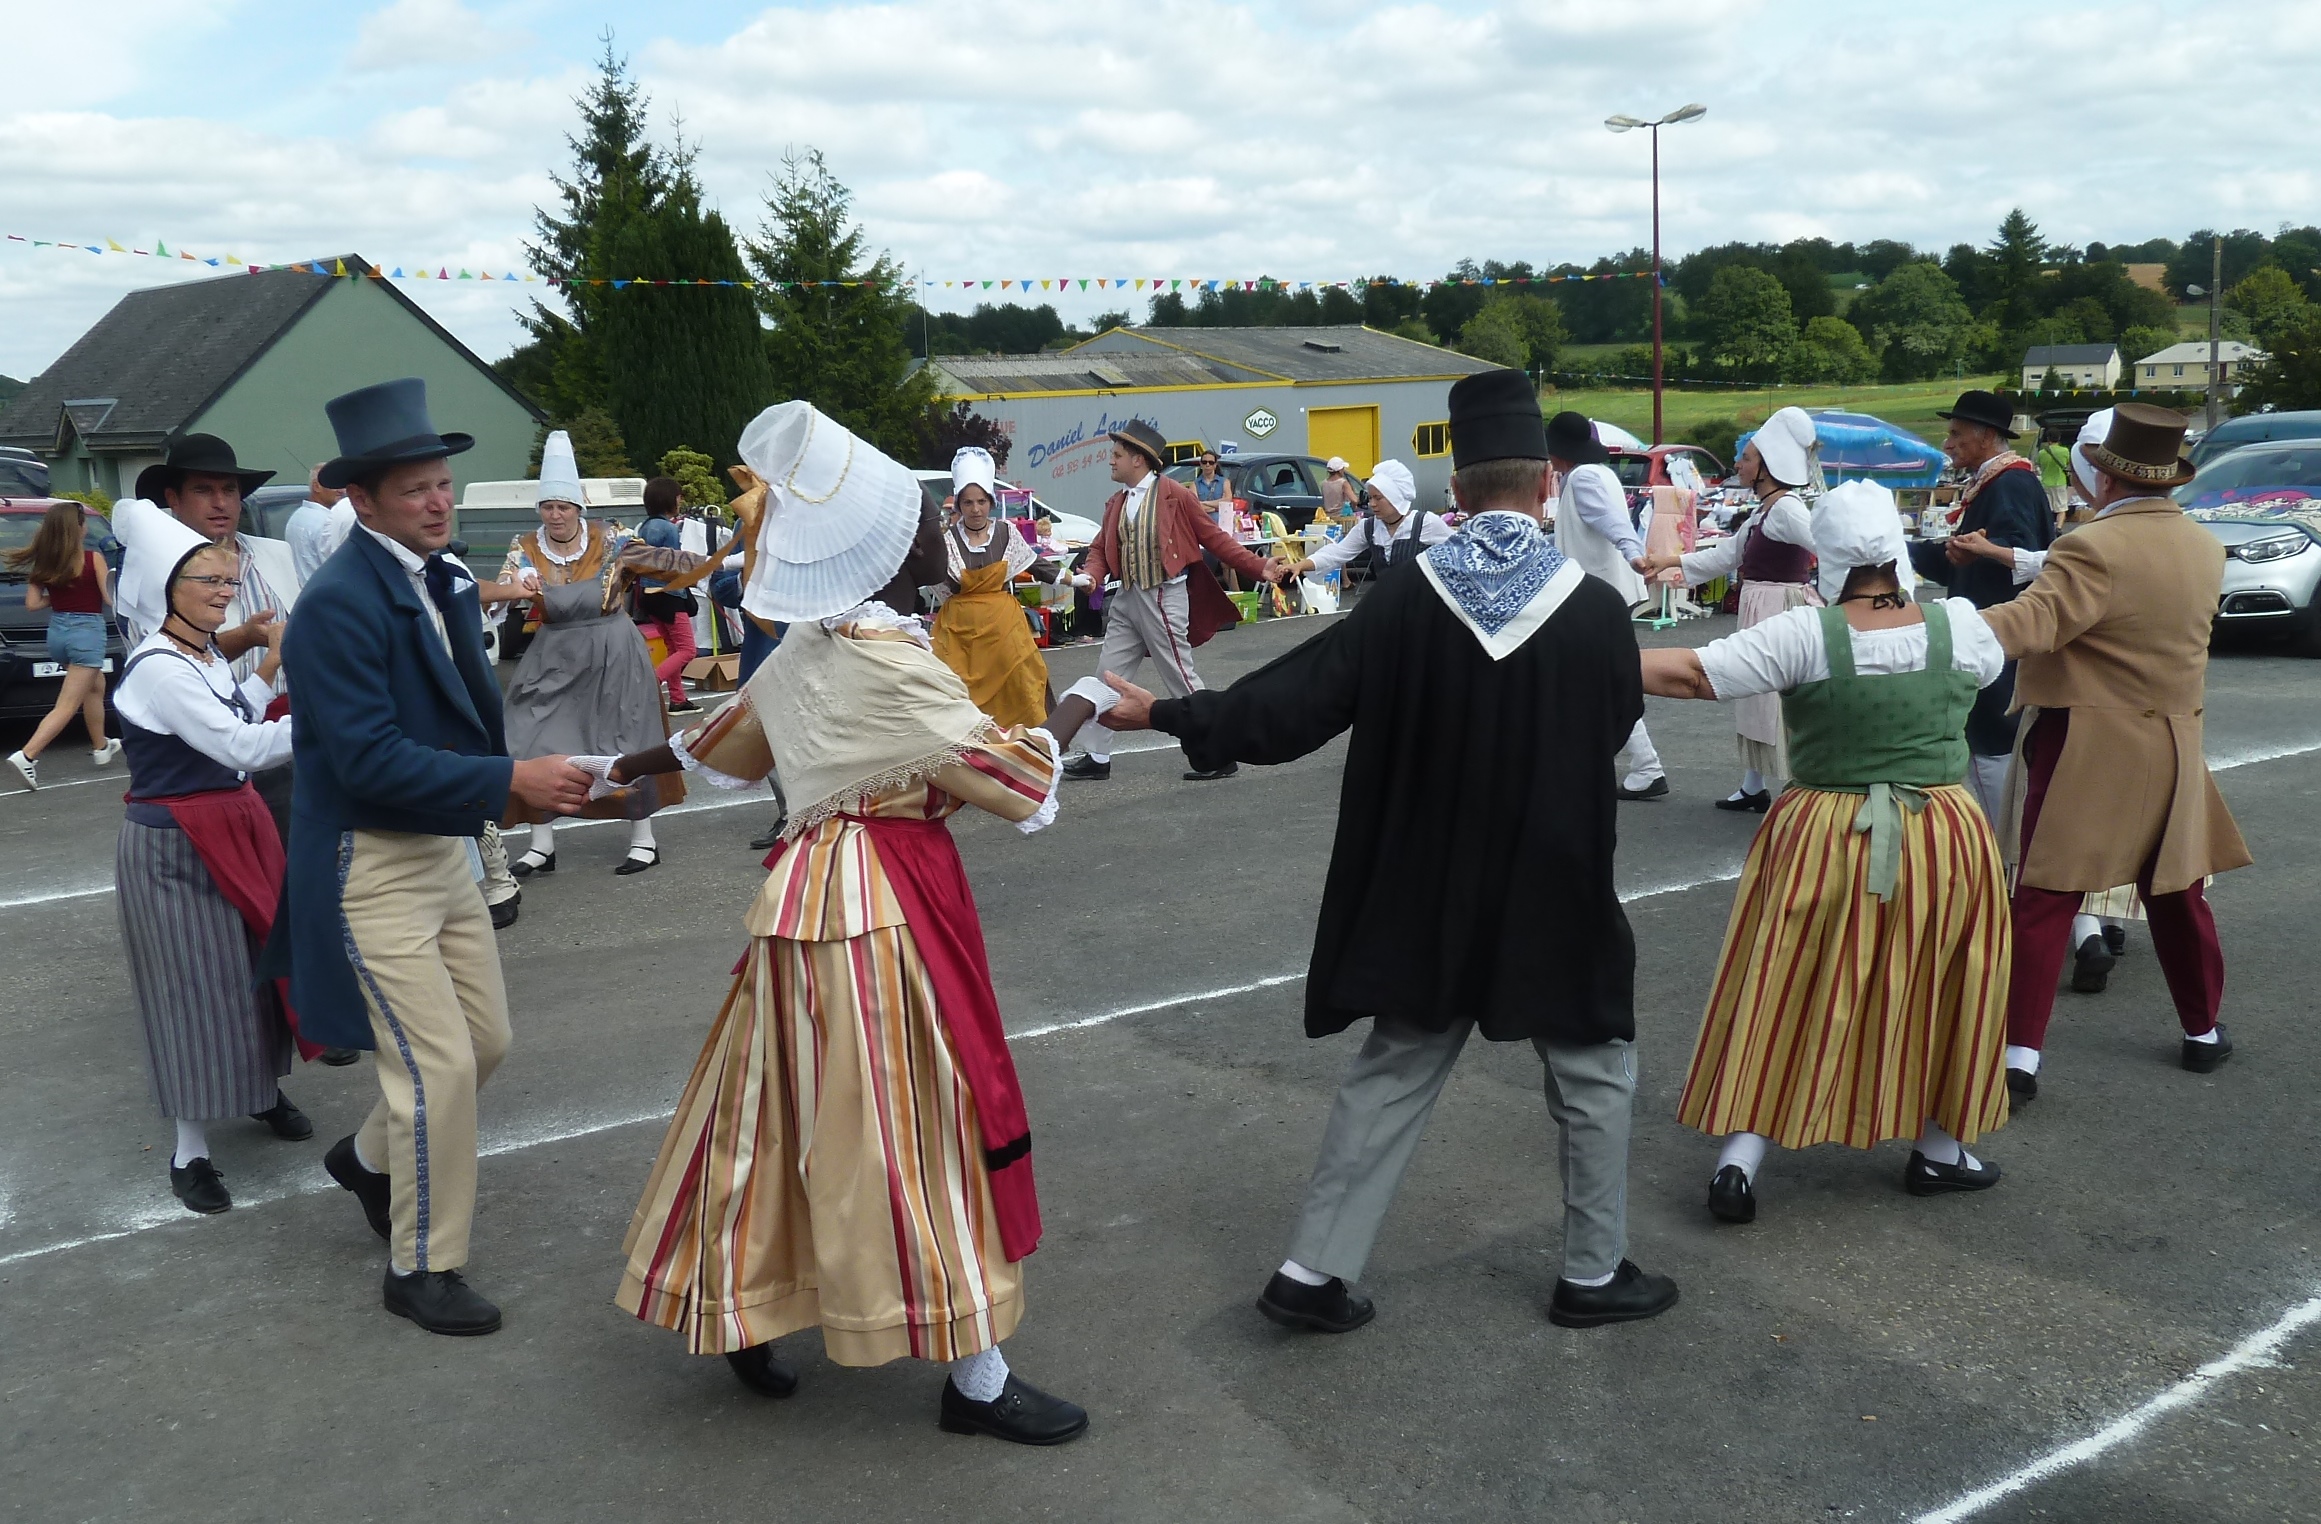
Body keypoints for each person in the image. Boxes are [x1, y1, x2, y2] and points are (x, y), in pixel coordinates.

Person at [1107, 368, 1679, 1332]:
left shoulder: (1409, 597)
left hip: (1426, 876)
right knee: (1589, 1066)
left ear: (1454, 493)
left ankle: (1311, 1273)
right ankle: (1591, 1272)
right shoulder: (1589, 609)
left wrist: (1168, 710)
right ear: (1546, 483)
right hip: (1553, 876)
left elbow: (1295, 706)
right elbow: (1615, 720)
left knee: (1398, 1062)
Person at [605, 400, 1096, 1444]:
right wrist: (1085, 704)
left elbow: (715, 742)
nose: (933, 530)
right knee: (915, 1130)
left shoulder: (801, 654)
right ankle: (975, 1374)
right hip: (883, 911)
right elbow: (1016, 785)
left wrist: (615, 771)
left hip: (797, 902)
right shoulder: (893, 663)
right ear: (886, 551)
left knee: (766, 1111)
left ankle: (734, 1298)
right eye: (918, 523)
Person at [268, 377, 591, 1335]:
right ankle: (421, 1266)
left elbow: (457, 717)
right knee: (438, 1067)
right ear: (360, 502)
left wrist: (535, 779)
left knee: (484, 1042)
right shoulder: (335, 604)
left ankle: (366, 1160)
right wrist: (507, 785)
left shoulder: (435, 576)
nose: (440, 501)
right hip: (368, 862)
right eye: (414, 490)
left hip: (439, 849)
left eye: (443, 482)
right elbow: (365, 760)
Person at [1638, 481, 2013, 1221]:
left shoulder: (1804, 633)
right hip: (1941, 833)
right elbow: (1990, 672)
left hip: (1821, 828)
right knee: (1943, 979)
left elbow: (1690, 673)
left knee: (1782, 977)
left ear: (1828, 555)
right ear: (1897, 552)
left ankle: (1740, 1157)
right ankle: (1939, 1149)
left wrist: (1570, 654)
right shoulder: (1960, 626)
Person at [1973, 405, 2251, 1100]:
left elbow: (2032, 624)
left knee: (2042, 898)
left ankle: (2019, 1059)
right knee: (2176, 893)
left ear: (2102, 476)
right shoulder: (2201, 546)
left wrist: (1934, 631)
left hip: (2086, 741)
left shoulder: (2090, 545)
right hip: (2173, 737)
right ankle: (2201, 1031)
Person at [108, 499, 314, 1214]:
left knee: (256, 971)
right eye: (206, 581)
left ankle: (258, 1093)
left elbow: (241, 715)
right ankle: (189, 1150)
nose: (225, 592)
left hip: (231, 824)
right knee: (192, 993)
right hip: (174, 844)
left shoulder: (197, 654)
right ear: (166, 585)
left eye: (227, 579)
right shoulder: (159, 667)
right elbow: (240, 748)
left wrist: (274, 663)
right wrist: (334, 728)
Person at [1952, 409, 2138, 996]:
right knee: (2107, 817)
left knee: (2045, 814)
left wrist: (1961, 621)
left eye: (1958, 433)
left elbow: (2042, 574)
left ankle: (2081, 931)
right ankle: (2101, 923)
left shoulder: (2068, 520)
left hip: (2073, 690)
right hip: (2138, 709)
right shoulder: (2156, 535)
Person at [479, 432, 703, 878]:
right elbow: (497, 594)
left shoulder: (612, 537)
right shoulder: (525, 547)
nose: (555, 515)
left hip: (613, 647)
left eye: (563, 507)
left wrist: (727, 562)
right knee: (529, 736)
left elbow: (666, 559)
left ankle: (643, 839)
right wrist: (509, 591)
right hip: (554, 650)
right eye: (547, 507)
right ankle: (541, 843)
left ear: (578, 508)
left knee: (626, 738)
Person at [1060, 420, 1282, 783]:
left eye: (1116, 455)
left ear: (1138, 459)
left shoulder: (1174, 494)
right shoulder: (1117, 501)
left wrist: (1258, 566)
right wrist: (1093, 576)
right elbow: (1101, 547)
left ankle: (1219, 750)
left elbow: (1213, 537)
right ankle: (1097, 755)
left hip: (1163, 595)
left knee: (1179, 675)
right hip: (1128, 597)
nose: (1110, 462)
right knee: (1106, 677)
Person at [1639, 406, 1821, 812]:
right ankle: (1754, 783)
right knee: (1756, 695)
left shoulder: (1787, 509)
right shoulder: (1764, 509)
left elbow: (1825, 543)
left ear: (1767, 466)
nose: (1739, 463)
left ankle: (1798, 785)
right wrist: (1670, 562)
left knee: (1777, 697)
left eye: (1748, 457)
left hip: (1781, 606)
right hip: (1762, 604)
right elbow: (1727, 554)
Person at [1907, 390, 2054, 823]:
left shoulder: (2011, 483)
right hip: (1990, 629)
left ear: (1987, 435)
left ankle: (2004, 844)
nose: (1947, 443)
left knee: (1992, 730)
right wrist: (1900, 550)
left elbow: (2023, 552)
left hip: (2001, 634)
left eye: (1955, 434)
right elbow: (1961, 562)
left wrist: (1985, 550)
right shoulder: (1996, 482)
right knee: (1984, 730)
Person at [1546, 412, 1667, 803]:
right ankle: (1638, 765)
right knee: (1597, 679)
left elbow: (1612, 522)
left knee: (1601, 681)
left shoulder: (1582, 478)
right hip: (1604, 588)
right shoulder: (1594, 474)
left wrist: (1634, 554)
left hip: (1597, 591)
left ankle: (1645, 766)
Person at [932, 446, 1057, 729]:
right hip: (960, 634)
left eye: (981, 502)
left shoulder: (1005, 533)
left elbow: (1034, 563)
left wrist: (1070, 579)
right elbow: (939, 581)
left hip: (1003, 628)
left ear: (990, 502)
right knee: (954, 689)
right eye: (968, 503)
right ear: (958, 506)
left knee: (1022, 679)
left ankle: (1031, 746)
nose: (975, 509)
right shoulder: (947, 540)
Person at [6, 500, 121, 788]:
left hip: (58, 634)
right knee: (67, 704)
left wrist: (58, 598)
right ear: (79, 528)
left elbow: (33, 604)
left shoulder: (45, 562)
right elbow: (110, 598)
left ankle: (100, 747)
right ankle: (28, 756)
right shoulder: (93, 559)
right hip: (87, 633)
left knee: (95, 686)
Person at [1278, 459, 1452, 595]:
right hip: (1386, 605)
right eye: (1370, 498)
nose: (1372, 504)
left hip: (1421, 607)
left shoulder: (1425, 523)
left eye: (1378, 498)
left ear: (1395, 497)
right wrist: (1301, 565)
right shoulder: (1369, 527)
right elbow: (1336, 553)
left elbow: (1461, 552)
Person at [633, 478, 701, 715]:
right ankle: (651, 684)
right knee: (687, 649)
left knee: (673, 647)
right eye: (678, 496)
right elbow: (673, 564)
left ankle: (678, 698)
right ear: (668, 499)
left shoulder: (644, 527)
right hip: (669, 594)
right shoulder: (669, 528)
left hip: (648, 595)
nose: (680, 500)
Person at [285, 468, 358, 584]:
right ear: (316, 487)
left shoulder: (297, 516)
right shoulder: (326, 523)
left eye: (342, 485)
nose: (342, 490)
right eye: (334, 484)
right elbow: (338, 567)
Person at [1319, 456, 1359, 521]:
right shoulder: (1343, 483)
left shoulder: (1324, 483)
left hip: (1327, 518)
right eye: (1343, 468)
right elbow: (1354, 500)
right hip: (1341, 518)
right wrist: (1354, 506)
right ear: (1340, 470)